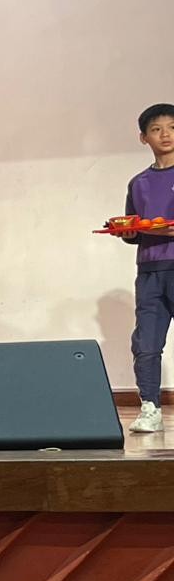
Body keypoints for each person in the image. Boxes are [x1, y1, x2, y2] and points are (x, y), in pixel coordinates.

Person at [125, 102, 174, 433]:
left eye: (172, 128)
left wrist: (152, 229)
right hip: (150, 271)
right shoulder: (138, 183)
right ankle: (150, 406)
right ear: (144, 138)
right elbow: (133, 228)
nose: (165, 135)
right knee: (146, 343)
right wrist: (129, 233)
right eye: (156, 129)